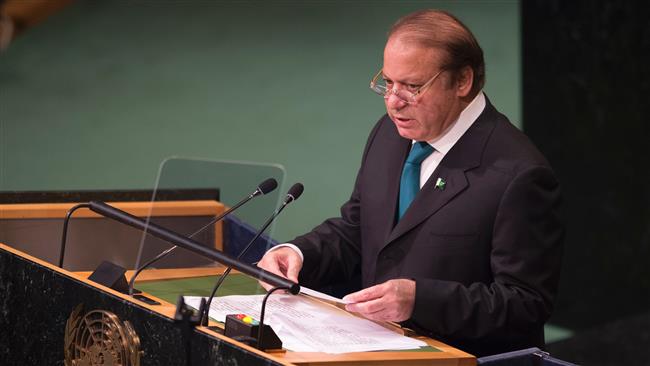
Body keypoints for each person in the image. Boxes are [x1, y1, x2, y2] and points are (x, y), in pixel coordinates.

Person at [257, 9, 563, 357]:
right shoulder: (390, 135)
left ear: (462, 81)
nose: (393, 102)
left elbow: (524, 304)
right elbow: (359, 229)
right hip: (376, 352)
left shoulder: (519, 174)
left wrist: (419, 301)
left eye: (412, 87)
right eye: (388, 83)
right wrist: (298, 255)